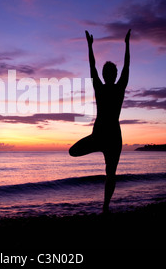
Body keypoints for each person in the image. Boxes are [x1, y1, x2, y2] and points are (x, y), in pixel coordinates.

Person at [69, 29, 131, 213]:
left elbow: (93, 66)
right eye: (108, 72)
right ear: (108, 74)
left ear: (108, 74)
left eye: (109, 72)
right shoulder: (114, 87)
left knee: (110, 173)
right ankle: (105, 207)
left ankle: (105, 207)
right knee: (107, 172)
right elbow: (122, 66)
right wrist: (126, 45)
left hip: (108, 137)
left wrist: (90, 45)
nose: (108, 74)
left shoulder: (109, 88)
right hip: (104, 136)